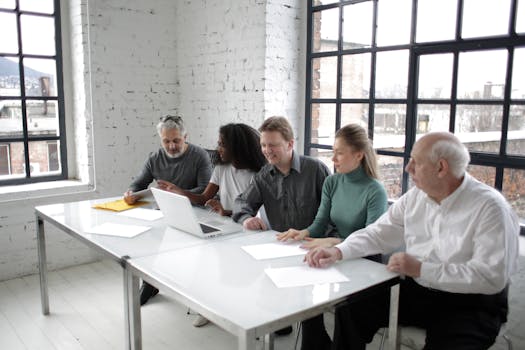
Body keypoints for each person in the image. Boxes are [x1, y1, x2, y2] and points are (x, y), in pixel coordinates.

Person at [305, 132, 520, 350]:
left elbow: (490, 277)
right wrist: (339, 251)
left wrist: (420, 269)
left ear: (441, 168)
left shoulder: (491, 208)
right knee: (351, 308)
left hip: (473, 304)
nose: (408, 168)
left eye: (416, 162)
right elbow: (378, 232)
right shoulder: (415, 197)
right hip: (421, 291)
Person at [277, 124, 388, 350]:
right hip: (337, 254)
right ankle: (315, 343)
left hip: (366, 263)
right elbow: (320, 223)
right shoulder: (332, 182)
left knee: (347, 309)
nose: (333, 158)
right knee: (304, 286)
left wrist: (334, 242)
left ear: (358, 155)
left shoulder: (375, 190)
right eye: (333, 151)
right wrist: (304, 233)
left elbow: (371, 238)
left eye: (339, 152)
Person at [157, 122, 266, 327]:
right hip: (226, 227)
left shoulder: (258, 173)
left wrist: (227, 211)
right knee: (204, 259)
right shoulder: (221, 167)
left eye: (223, 144)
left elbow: (258, 211)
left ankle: (247, 312)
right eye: (218, 143)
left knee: (233, 269)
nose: (218, 149)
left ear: (236, 147)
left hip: (248, 231)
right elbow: (203, 197)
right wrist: (179, 192)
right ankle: (208, 307)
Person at [233, 116, 331, 336]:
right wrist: (246, 218)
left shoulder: (315, 170)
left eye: (273, 145)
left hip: (311, 247)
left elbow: (333, 211)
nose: (267, 150)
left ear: (290, 144)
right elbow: (242, 202)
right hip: (279, 248)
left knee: (310, 314)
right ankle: (281, 321)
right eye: (264, 145)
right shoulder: (263, 175)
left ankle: (316, 337)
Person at [124, 115, 212, 306]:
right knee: (144, 236)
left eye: (176, 140)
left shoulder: (200, 156)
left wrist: (178, 192)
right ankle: (150, 282)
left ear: (185, 136)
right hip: (164, 210)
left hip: (195, 210)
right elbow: (139, 182)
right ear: (160, 139)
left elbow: (206, 191)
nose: (171, 146)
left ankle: (173, 284)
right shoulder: (155, 158)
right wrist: (131, 192)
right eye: (166, 141)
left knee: (171, 237)